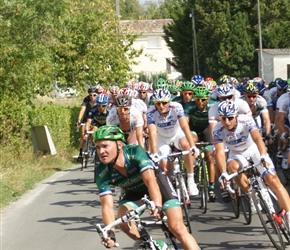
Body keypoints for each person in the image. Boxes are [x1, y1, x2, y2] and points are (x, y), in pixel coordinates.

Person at [94, 125, 200, 250]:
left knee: (177, 227)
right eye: (98, 147)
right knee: (123, 222)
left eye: (105, 146)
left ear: (119, 145)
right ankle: (151, 245)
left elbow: (150, 181)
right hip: (135, 192)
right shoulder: (101, 171)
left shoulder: (135, 152)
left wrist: (158, 205)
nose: (101, 152)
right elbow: (107, 206)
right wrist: (110, 233)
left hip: (158, 185)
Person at [213, 101, 290, 228]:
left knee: (274, 181)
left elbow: (257, 139)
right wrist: (223, 173)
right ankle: (250, 193)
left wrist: (264, 155)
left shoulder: (246, 120)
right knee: (232, 168)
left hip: (253, 149)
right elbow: (220, 152)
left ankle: (288, 214)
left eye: (230, 118)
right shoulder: (217, 129)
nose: (226, 122)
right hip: (236, 153)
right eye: (223, 118)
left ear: (236, 115)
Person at [146, 88, 200, 196]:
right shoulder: (150, 112)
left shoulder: (176, 107)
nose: (161, 106)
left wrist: (193, 146)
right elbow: (152, 133)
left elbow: (185, 126)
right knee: (165, 168)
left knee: (186, 146)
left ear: (169, 101)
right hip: (161, 138)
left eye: (164, 103)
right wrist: (155, 152)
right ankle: (171, 193)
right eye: (158, 103)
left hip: (177, 134)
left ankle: (190, 180)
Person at [184, 86, 217, 201]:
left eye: (203, 99)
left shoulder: (212, 105)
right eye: (197, 99)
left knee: (210, 156)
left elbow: (215, 125)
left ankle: (212, 187)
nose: (200, 102)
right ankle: (192, 162)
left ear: (208, 99)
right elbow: (186, 124)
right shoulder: (190, 106)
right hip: (194, 129)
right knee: (191, 140)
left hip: (207, 128)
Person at [76, 87, 98, 162]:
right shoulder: (86, 99)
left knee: (93, 134)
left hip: (95, 120)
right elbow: (82, 110)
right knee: (83, 135)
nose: (92, 97)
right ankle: (80, 153)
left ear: (97, 95)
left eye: (94, 95)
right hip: (87, 119)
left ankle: (93, 146)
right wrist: (79, 120)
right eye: (90, 95)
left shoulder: (99, 101)